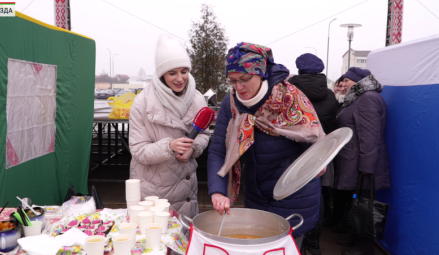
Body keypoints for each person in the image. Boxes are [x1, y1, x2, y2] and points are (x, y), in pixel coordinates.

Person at [207, 42, 325, 249]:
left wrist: (318, 163)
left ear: (261, 74)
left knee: (286, 248)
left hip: (294, 194)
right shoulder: (231, 102)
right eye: (233, 81)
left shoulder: (290, 97)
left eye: (245, 79)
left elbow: (314, 140)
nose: (239, 87)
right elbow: (218, 149)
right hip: (257, 193)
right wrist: (217, 191)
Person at [129, 34, 210, 218]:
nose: (180, 78)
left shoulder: (197, 98)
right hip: (154, 194)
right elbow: (138, 150)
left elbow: (204, 134)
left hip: (187, 190)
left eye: (184, 71)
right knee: (158, 241)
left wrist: (193, 149)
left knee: (185, 240)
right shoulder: (143, 103)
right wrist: (169, 146)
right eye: (172, 73)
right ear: (161, 74)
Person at [334, 67, 391, 255]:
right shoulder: (360, 97)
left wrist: (366, 167)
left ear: (358, 82)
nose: (344, 85)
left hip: (363, 164)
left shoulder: (367, 99)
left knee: (365, 206)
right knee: (356, 201)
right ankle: (354, 237)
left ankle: (364, 249)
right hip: (354, 161)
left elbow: (370, 136)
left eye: (347, 81)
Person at [289, 53, 338, 255]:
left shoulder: (289, 90)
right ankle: (314, 241)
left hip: (292, 152)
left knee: (292, 195)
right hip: (320, 153)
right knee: (317, 195)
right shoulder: (329, 95)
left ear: (299, 69)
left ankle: (292, 238)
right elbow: (332, 125)